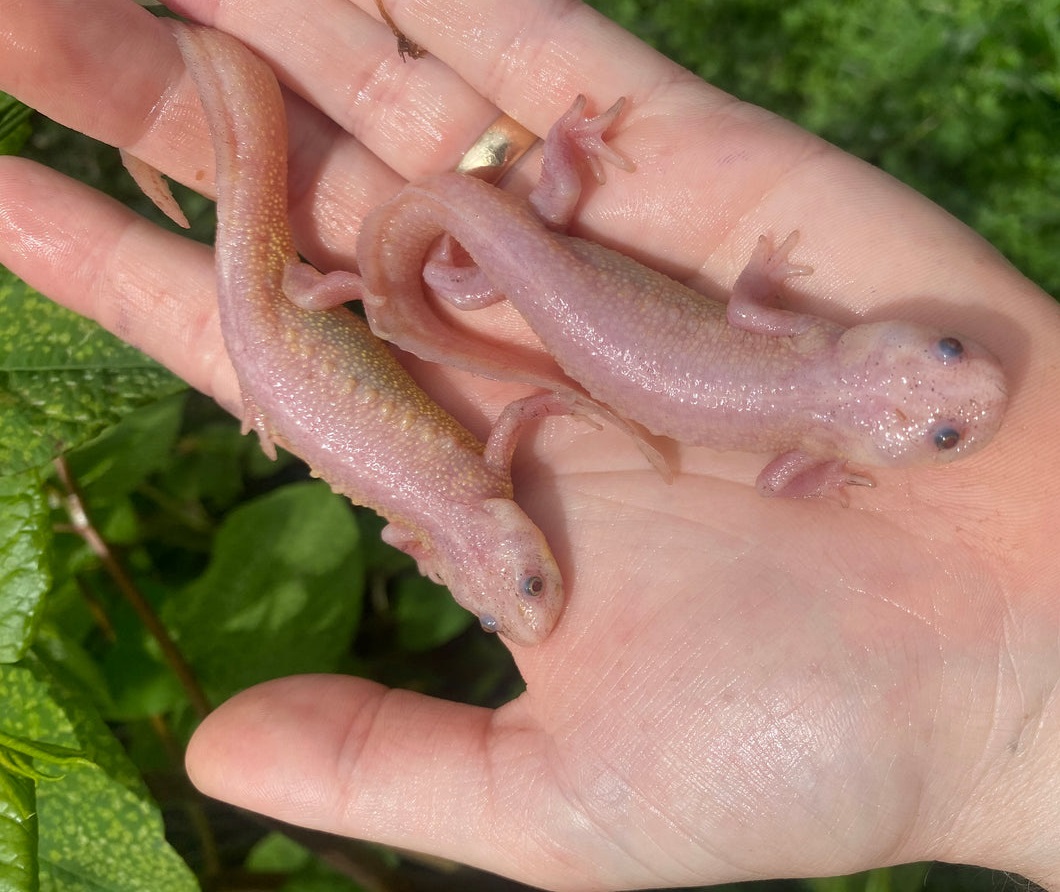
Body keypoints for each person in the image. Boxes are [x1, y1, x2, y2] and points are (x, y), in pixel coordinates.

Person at [1, 1, 1056, 889]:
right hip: (490, 291)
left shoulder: (806, 387)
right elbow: (768, 445)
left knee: (457, 270)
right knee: (435, 275)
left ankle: (407, 238)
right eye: (951, 358)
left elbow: (764, 384)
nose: (972, 374)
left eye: (945, 424)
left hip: (526, 272)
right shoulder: (497, 471)